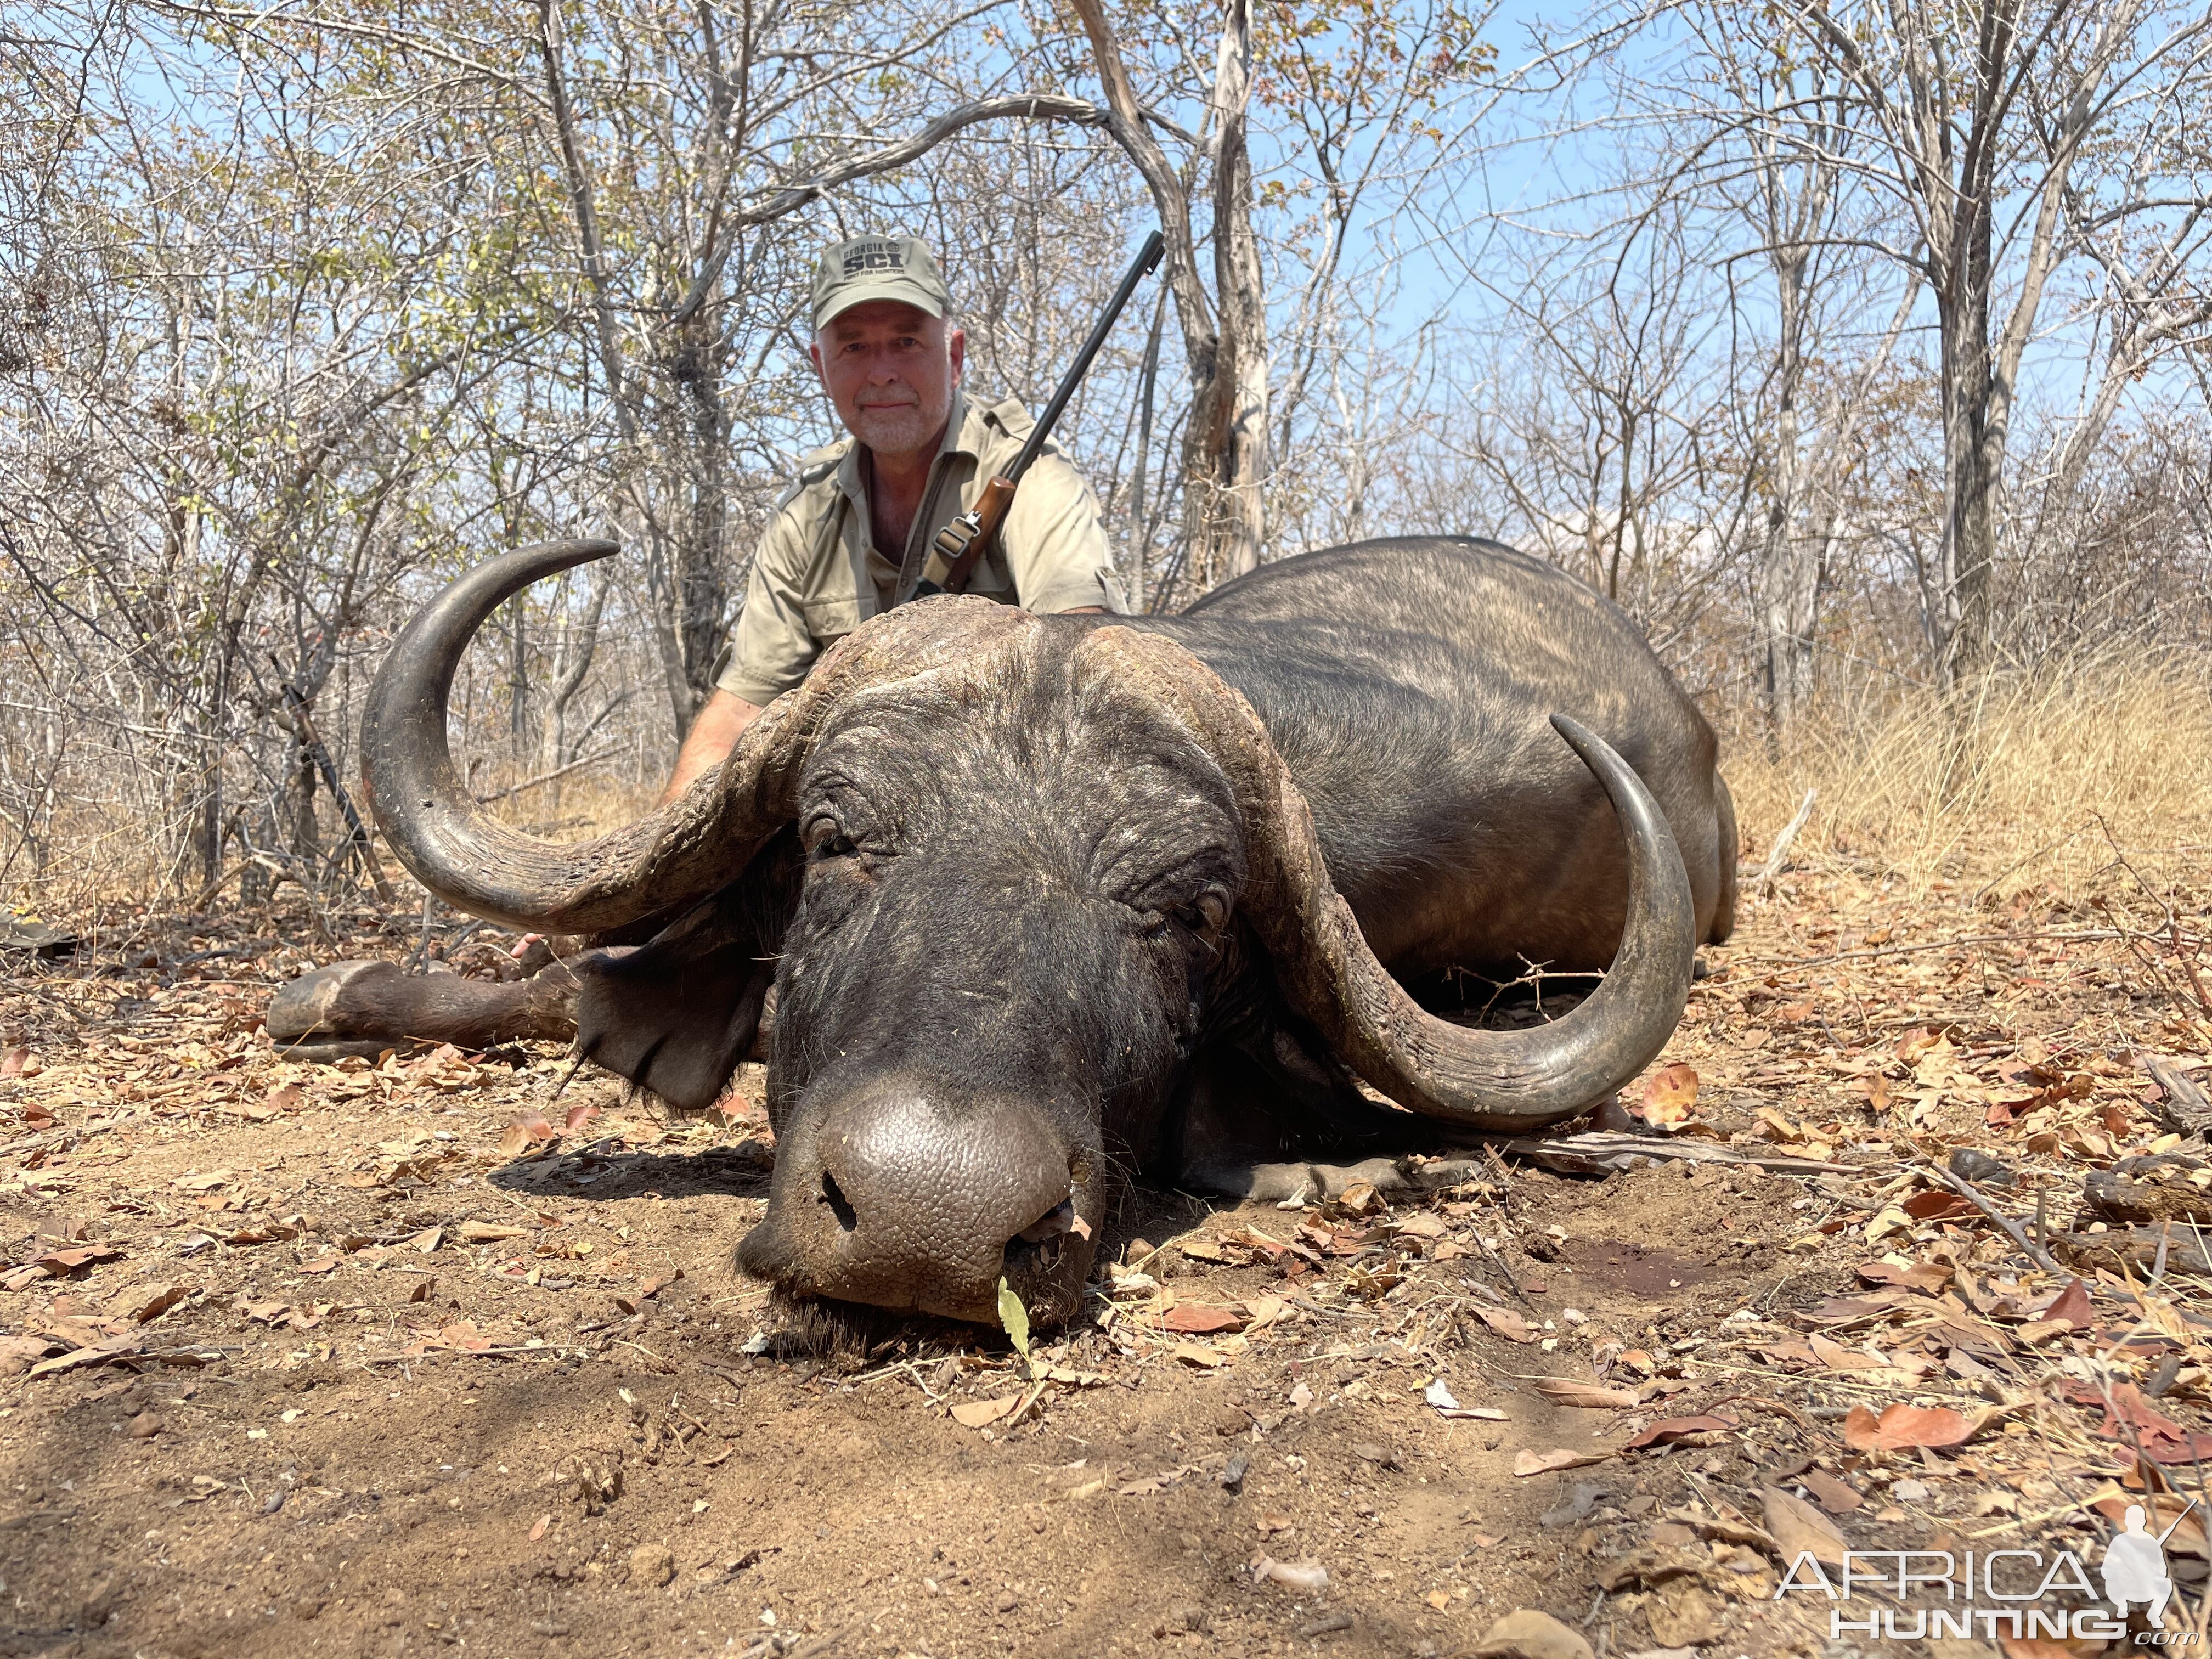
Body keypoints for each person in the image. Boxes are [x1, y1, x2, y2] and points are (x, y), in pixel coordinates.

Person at [659, 234, 1122, 803]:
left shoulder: (1033, 477)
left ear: (953, 356)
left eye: (906, 341)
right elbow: (739, 711)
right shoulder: (807, 513)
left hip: (1015, 801)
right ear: (820, 366)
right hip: (857, 817)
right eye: (854, 348)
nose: (881, 373)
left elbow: (1088, 659)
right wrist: (663, 871)